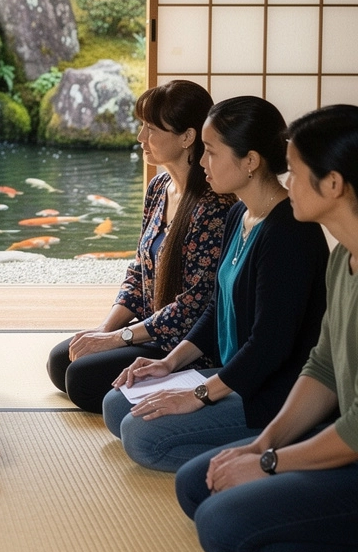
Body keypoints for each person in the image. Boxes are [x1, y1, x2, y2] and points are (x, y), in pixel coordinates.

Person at [175, 104, 358, 552]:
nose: (286, 181)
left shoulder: (293, 237)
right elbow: (322, 368)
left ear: (333, 184)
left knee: (223, 528)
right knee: (197, 484)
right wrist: (262, 447)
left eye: (295, 172)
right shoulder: (344, 260)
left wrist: (272, 462)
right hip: (337, 438)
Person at [103, 96, 328, 472]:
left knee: (142, 436)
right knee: (117, 406)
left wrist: (199, 395)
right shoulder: (239, 212)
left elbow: (269, 346)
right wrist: (169, 365)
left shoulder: (289, 232)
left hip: (271, 388)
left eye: (210, 152)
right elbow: (214, 307)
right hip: (234, 373)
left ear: (251, 161)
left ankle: (277, 454)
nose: (202, 163)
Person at [46, 80, 235, 413]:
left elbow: (194, 307)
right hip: (148, 329)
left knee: (79, 379)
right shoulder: (159, 186)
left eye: (151, 129)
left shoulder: (213, 205)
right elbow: (138, 272)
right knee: (61, 360)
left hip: (185, 344)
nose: (140, 138)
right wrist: (106, 329)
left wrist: (120, 338)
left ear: (187, 137)